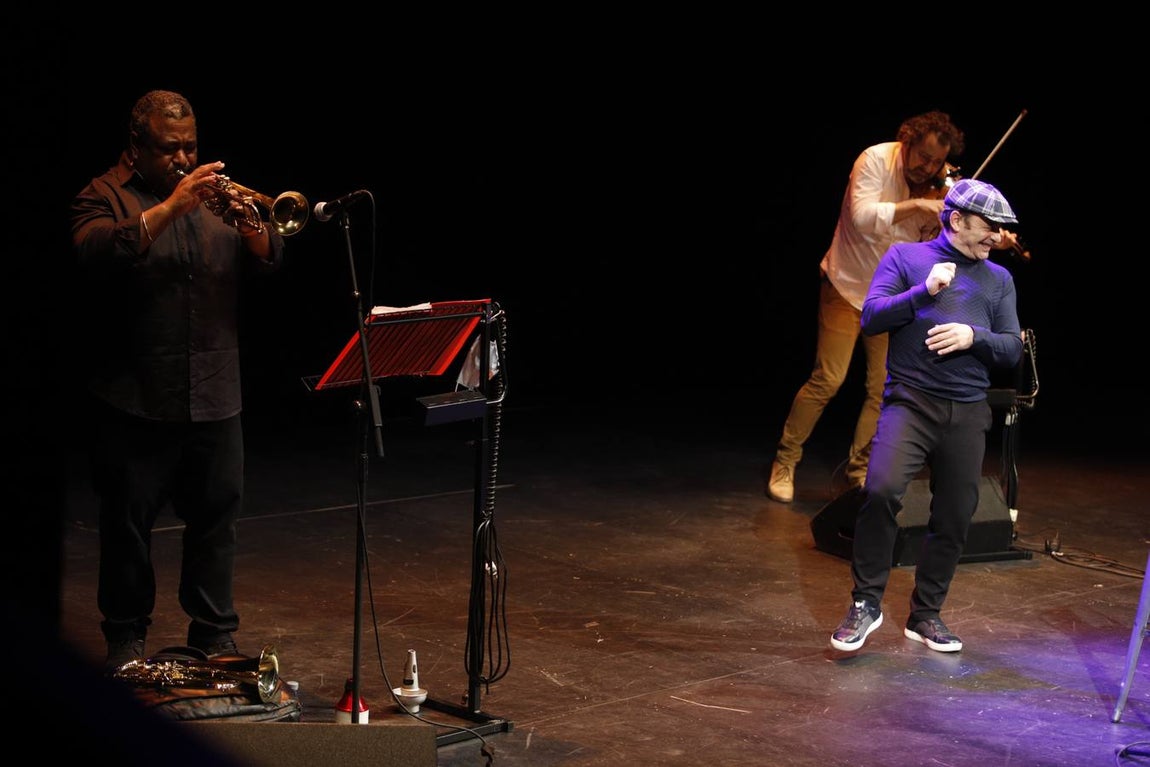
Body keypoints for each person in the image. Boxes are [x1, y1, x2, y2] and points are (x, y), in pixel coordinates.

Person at [70, 90, 285, 672]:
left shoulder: (218, 200)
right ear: (137, 146)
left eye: (191, 144)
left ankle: (214, 635)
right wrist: (170, 206)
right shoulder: (103, 195)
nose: (184, 157)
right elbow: (94, 253)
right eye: (170, 148)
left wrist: (252, 229)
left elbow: (272, 256)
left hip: (216, 388)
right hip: (135, 395)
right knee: (128, 528)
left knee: (217, 522)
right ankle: (125, 638)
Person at [828, 178, 1024, 654]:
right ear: (956, 220)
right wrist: (923, 292)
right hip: (911, 402)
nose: (996, 237)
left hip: (968, 411)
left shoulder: (999, 279)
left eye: (1001, 230)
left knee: (956, 516)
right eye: (989, 227)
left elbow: (1012, 349)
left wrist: (972, 336)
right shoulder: (906, 259)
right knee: (880, 490)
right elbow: (872, 317)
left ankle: (926, 614)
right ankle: (866, 604)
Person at [766, 111, 966, 503]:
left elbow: (931, 247)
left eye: (935, 163)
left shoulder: (939, 189)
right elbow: (861, 218)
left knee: (882, 388)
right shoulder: (874, 159)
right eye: (921, 157)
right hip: (845, 286)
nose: (926, 168)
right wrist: (916, 207)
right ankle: (785, 460)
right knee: (829, 378)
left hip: (888, 299)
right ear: (906, 142)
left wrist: (965, 226)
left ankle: (859, 471)